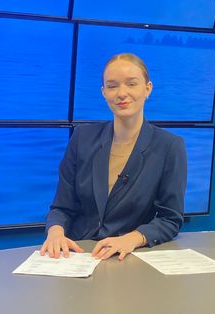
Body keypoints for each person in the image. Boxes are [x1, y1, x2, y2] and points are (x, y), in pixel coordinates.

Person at [40, 53, 187, 261]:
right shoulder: (82, 138)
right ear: (103, 92)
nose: (121, 93)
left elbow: (170, 219)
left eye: (131, 84)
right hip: (77, 255)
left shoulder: (170, 146)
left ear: (148, 89)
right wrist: (55, 233)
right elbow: (61, 207)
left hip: (127, 257)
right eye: (112, 86)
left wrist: (132, 239)